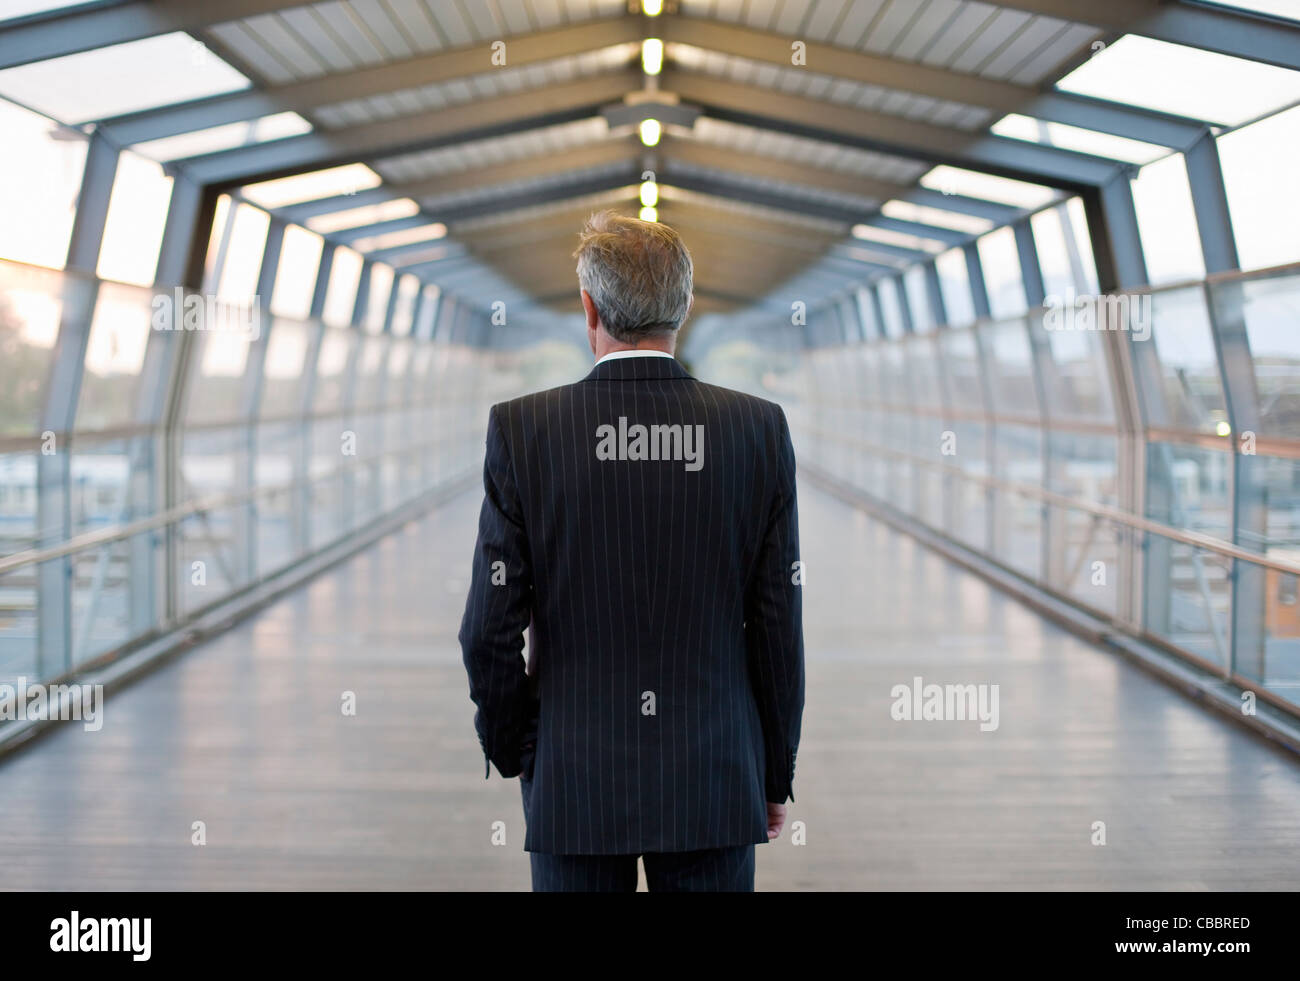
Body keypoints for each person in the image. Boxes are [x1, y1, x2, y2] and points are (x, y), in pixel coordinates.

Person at [459, 210, 804, 892]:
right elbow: (776, 626)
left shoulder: (525, 430)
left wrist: (522, 750)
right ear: (686, 306)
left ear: (588, 306)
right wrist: (770, 770)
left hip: (574, 781)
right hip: (713, 777)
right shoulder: (756, 429)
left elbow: (488, 631)